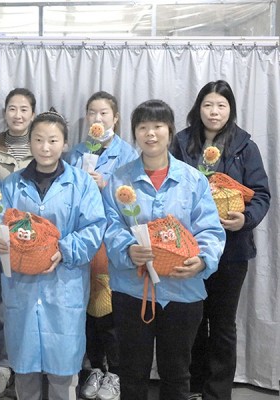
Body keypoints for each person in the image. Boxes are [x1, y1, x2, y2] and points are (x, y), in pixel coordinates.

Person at [101, 99, 226, 400]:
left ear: (170, 131)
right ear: (134, 133)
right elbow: (109, 225)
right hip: (133, 291)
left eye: (158, 126)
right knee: (132, 373)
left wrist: (203, 259)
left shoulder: (193, 179)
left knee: (177, 374)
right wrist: (128, 250)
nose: (150, 133)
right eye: (143, 127)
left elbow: (210, 229)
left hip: (183, 291)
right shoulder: (119, 179)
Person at [0, 110, 107, 400]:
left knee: (63, 376)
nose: (45, 147)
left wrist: (63, 249)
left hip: (64, 290)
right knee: (25, 376)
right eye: (38, 140)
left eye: (53, 140)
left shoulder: (81, 184)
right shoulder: (11, 184)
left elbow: (94, 228)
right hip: (21, 291)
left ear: (64, 144)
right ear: (30, 142)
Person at [170, 80, 271, 400]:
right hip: (190, 248)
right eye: (208, 105)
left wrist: (245, 219)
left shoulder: (244, 146)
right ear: (198, 108)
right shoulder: (181, 143)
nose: (214, 112)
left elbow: (262, 194)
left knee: (223, 324)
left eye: (221, 106)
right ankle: (194, 387)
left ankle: (217, 393)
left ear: (231, 110)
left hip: (232, 250)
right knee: (192, 321)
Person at [66, 91, 138, 400]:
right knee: (87, 309)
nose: (98, 118)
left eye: (104, 113)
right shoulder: (75, 153)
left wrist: (105, 186)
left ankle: (116, 373)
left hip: (112, 241)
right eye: (92, 112)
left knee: (111, 310)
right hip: (83, 241)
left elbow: (133, 200)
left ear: (116, 118)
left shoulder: (128, 154)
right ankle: (95, 367)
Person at [0, 87, 36, 397]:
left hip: (33, 238)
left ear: (33, 114)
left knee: (28, 304)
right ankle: (3, 364)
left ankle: (27, 363)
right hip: (0, 234)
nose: (18, 114)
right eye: (12, 108)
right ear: (4, 113)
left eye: (24, 109)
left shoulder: (42, 145)